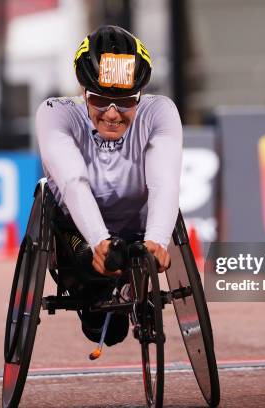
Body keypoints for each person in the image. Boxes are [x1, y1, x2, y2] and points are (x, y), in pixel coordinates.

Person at [35, 25, 183, 346]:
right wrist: (100, 241)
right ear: (83, 89)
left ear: (140, 95)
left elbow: (165, 179)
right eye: (101, 100)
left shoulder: (160, 111)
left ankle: (132, 280)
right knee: (105, 331)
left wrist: (157, 240)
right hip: (78, 235)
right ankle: (102, 295)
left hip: (137, 232)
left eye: (126, 101)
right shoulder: (54, 113)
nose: (113, 114)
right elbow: (73, 180)